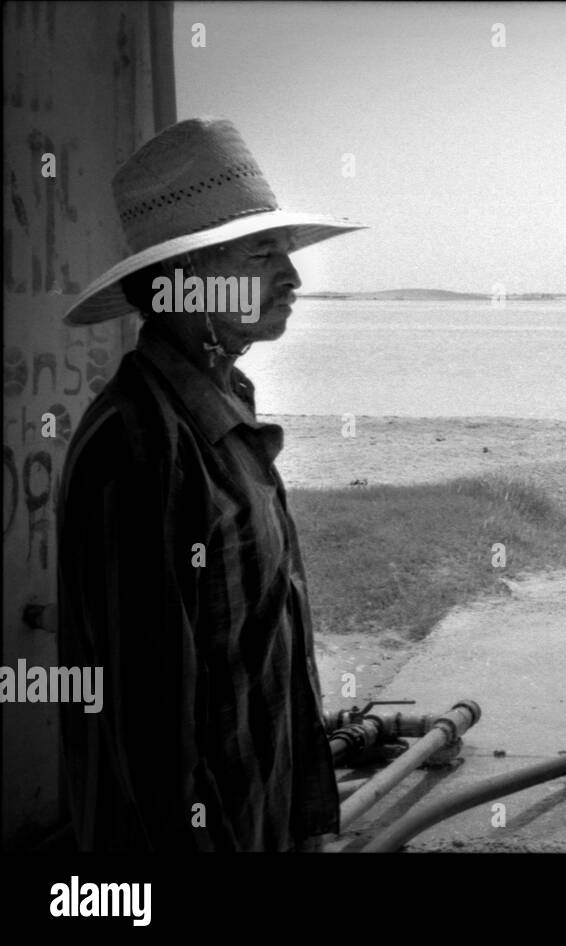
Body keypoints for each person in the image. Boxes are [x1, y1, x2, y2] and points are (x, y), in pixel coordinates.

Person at [57, 118, 366, 851]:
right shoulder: (136, 446)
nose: (292, 278)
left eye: (285, 253)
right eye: (263, 255)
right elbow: (143, 724)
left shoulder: (225, 409)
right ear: (180, 283)